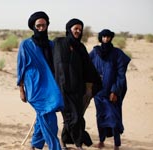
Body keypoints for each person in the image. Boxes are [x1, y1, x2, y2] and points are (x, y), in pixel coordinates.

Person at [17, 11, 64, 150]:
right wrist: (21, 90)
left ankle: (35, 144)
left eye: (44, 25)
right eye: (38, 26)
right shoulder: (26, 45)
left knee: (43, 115)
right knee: (49, 118)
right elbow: (20, 68)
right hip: (34, 87)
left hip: (50, 87)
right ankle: (55, 147)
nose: (41, 29)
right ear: (33, 27)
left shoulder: (51, 45)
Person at [53, 18, 102, 150]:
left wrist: (95, 81)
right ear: (69, 29)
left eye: (80, 29)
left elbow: (88, 67)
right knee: (73, 118)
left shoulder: (80, 47)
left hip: (77, 89)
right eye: (76, 28)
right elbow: (50, 62)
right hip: (62, 88)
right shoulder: (58, 43)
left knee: (75, 117)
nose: (78, 31)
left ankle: (63, 143)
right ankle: (79, 144)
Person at [89, 29, 131, 150]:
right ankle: (101, 141)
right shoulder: (95, 52)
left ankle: (116, 144)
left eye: (108, 37)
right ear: (100, 38)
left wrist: (115, 91)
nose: (106, 39)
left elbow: (121, 75)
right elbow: (85, 64)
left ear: (111, 38)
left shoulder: (117, 53)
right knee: (100, 117)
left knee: (114, 118)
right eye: (104, 37)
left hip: (112, 93)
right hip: (98, 92)